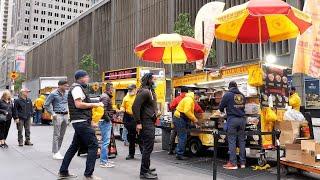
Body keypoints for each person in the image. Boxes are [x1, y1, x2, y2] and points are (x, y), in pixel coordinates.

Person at [58, 70, 103, 180]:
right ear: (81, 78)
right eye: (86, 77)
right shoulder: (77, 88)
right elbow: (78, 105)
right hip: (81, 121)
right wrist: (95, 104)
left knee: (74, 147)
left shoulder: (78, 88)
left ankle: (63, 171)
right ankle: (88, 175)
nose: (88, 78)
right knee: (93, 145)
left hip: (79, 121)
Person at [132, 73, 158, 179]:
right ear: (149, 80)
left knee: (148, 147)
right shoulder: (145, 91)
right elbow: (135, 107)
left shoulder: (149, 91)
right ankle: (143, 173)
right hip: (146, 123)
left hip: (149, 122)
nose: (155, 81)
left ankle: (146, 169)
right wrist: (138, 123)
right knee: (148, 148)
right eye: (153, 79)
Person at [168, 87, 204, 155]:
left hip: (178, 117)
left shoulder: (183, 98)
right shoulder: (189, 100)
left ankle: (172, 149)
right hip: (180, 118)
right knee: (182, 136)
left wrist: (194, 122)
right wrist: (196, 119)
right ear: (195, 95)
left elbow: (171, 107)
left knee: (176, 135)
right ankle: (179, 153)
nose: (198, 99)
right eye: (198, 97)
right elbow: (189, 111)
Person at [219, 81, 246, 170]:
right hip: (242, 120)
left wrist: (223, 111)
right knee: (242, 141)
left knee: (232, 141)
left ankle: (233, 163)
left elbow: (221, 107)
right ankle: (242, 163)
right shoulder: (242, 95)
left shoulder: (227, 95)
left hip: (232, 120)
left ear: (229, 87)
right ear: (236, 86)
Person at [44, 80, 69, 160]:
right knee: (56, 134)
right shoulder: (53, 93)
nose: (66, 87)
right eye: (65, 85)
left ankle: (58, 151)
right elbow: (46, 104)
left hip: (65, 115)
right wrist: (53, 113)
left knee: (62, 134)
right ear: (60, 85)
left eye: (67, 86)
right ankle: (55, 152)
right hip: (57, 115)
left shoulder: (67, 93)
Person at [120, 84, 143, 160]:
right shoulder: (126, 97)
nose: (130, 91)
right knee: (131, 137)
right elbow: (123, 106)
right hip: (129, 118)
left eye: (131, 89)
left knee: (140, 137)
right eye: (129, 89)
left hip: (138, 118)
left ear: (135, 89)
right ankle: (131, 154)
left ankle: (144, 154)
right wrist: (122, 109)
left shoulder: (139, 97)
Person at [98, 82, 116, 168]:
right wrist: (108, 119)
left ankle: (105, 161)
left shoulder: (104, 96)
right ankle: (103, 162)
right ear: (109, 89)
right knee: (105, 142)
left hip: (104, 121)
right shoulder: (105, 97)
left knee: (105, 142)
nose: (113, 90)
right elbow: (103, 110)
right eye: (112, 88)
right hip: (105, 121)